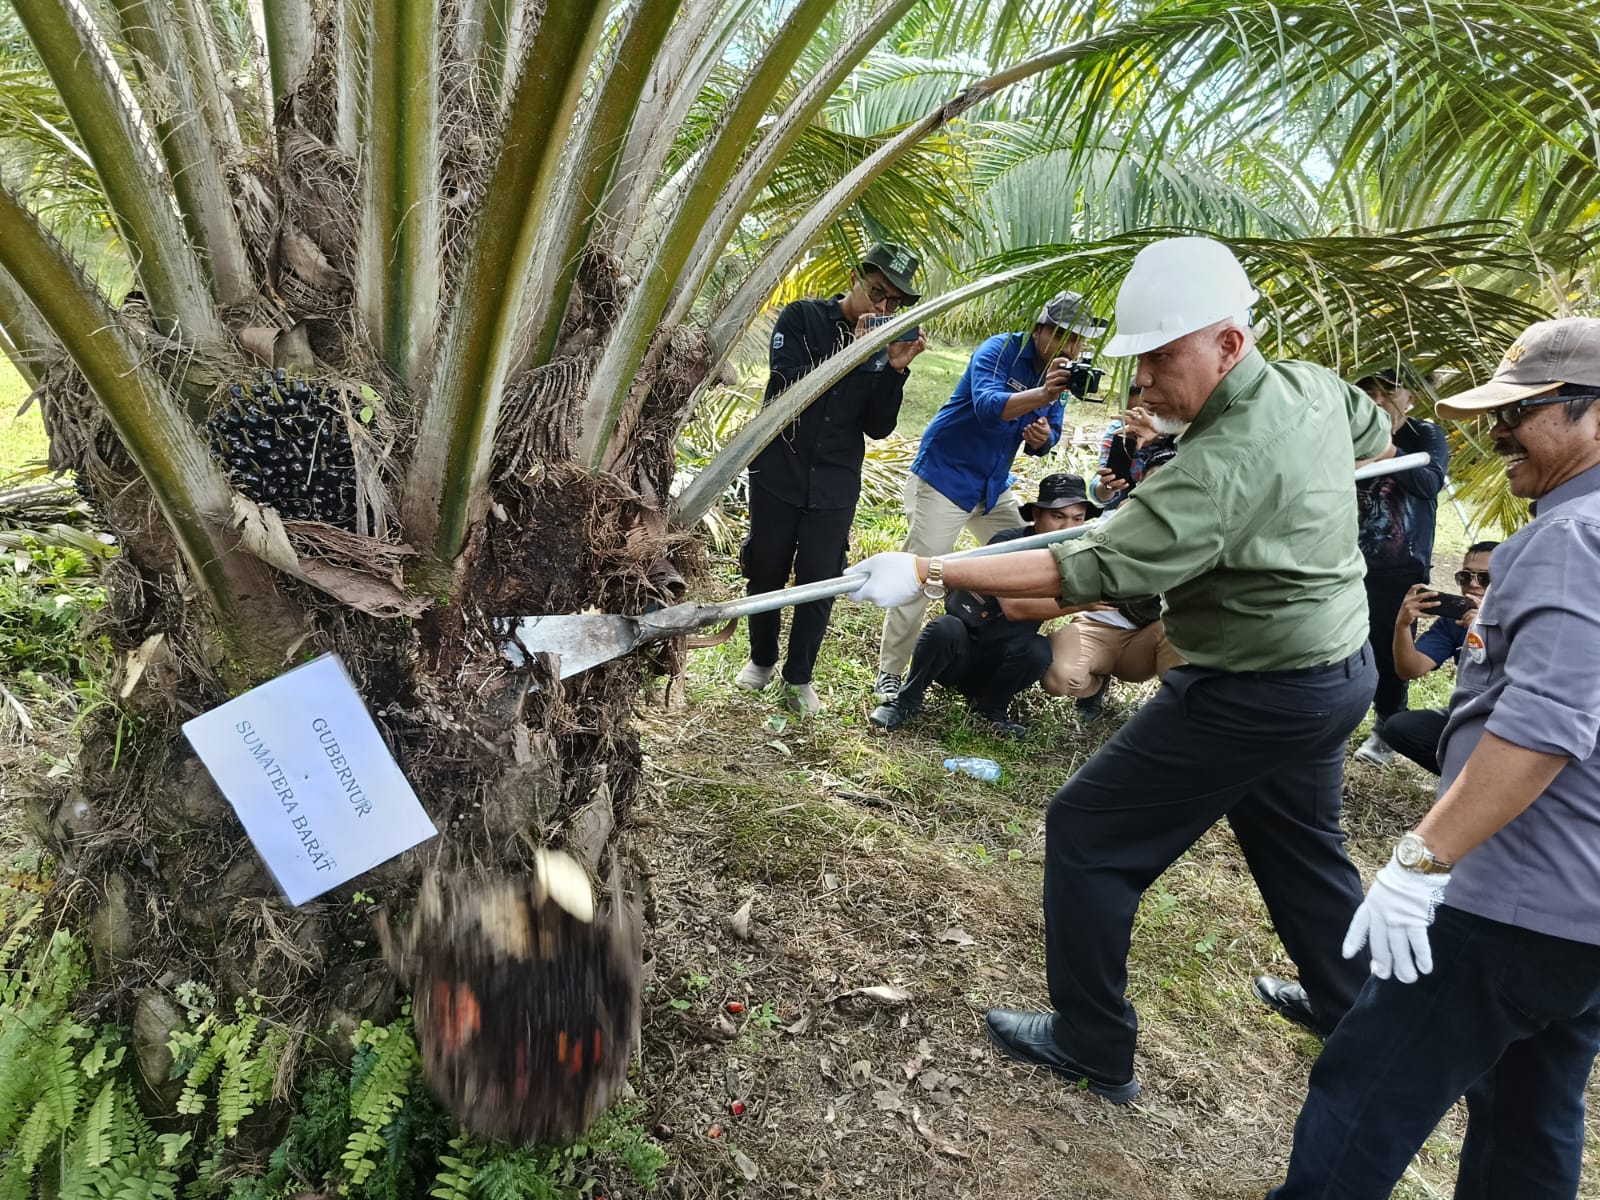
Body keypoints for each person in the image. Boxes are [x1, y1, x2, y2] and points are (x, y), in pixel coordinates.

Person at [845, 236, 1394, 1101]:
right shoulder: (1312, 389)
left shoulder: (1223, 463)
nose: (1144, 382)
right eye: (1140, 362)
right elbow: (1374, 428)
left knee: (1090, 836)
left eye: (1163, 359)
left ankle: (1092, 1041)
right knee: (1302, 851)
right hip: (1332, 669)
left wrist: (930, 570)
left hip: (1253, 686)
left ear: (1228, 344)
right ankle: (1357, 1006)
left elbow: (1088, 568)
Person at [1270, 316, 1600, 1199]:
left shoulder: (1573, 540)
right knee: (1529, 1121)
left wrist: (1422, 861)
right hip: (1584, 908)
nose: (1497, 434)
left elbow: (1544, 726)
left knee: (1366, 1094)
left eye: (1522, 411)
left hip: (1509, 900)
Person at [871, 290, 1108, 705]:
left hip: (991, 487)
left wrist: (1041, 437)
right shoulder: (1000, 350)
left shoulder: (1062, 376)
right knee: (921, 574)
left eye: (1078, 341)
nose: (1072, 348)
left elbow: (1048, 434)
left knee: (1029, 558)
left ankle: (999, 658)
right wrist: (1042, 395)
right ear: (1041, 330)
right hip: (946, 478)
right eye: (1065, 337)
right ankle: (891, 673)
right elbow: (986, 405)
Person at [736, 242, 927, 715]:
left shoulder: (884, 348)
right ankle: (761, 660)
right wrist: (857, 353)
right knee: (767, 569)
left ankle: (798, 676)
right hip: (779, 468)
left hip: (835, 480)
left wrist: (893, 370)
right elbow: (789, 386)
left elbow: (878, 426)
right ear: (854, 277)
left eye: (893, 303)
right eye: (876, 292)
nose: (882, 308)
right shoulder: (803, 318)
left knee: (821, 580)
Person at [867, 474, 1096, 738]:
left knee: (1038, 649)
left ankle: (992, 710)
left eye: (1077, 519)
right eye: (1058, 516)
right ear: (1036, 513)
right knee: (944, 628)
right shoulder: (1008, 543)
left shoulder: (1074, 558)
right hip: (959, 653)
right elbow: (1014, 608)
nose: (1067, 526)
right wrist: (1086, 602)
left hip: (1004, 660)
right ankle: (905, 701)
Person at [1350, 369, 1450, 766]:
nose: (1376, 401)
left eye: (1387, 392)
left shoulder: (1424, 436)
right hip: (1342, 560)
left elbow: (1429, 482)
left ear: (1409, 398)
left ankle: (1386, 728)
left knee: (1387, 650)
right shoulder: (1344, 434)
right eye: (1369, 393)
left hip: (1398, 565)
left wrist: (1387, 452)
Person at [1380, 542, 1497, 775]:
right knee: (1399, 728)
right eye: (1465, 576)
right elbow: (1410, 669)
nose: (1473, 584)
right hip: (1469, 715)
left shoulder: (1523, 622)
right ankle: (1466, 779)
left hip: (1510, 720)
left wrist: (1487, 628)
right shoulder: (1454, 621)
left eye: (1485, 578)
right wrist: (1402, 624)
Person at [1087, 402, 1180, 513]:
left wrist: (1161, 429)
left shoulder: (1177, 430)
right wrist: (1107, 487)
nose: (1137, 422)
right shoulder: (1119, 430)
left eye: (1146, 414)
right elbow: (1100, 489)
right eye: (1130, 415)